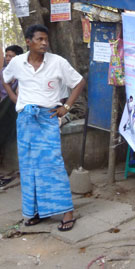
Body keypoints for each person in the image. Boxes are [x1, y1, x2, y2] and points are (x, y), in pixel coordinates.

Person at [2, 24, 86, 232]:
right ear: (28, 41)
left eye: (45, 40)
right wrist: (15, 99)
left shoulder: (57, 62)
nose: (44, 43)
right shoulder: (18, 63)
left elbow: (79, 82)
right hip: (25, 120)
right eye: (39, 39)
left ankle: (67, 212)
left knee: (53, 164)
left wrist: (66, 107)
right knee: (29, 166)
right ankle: (35, 212)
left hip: (47, 118)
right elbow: (5, 80)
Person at [0, 45, 24, 187]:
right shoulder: (3, 73)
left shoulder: (23, 74)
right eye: (7, 56)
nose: (8, 59)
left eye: (11, 56)